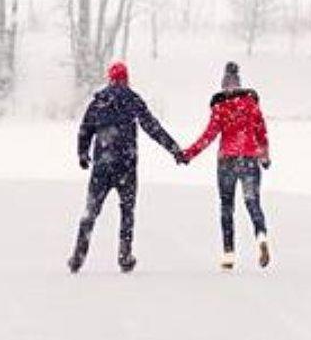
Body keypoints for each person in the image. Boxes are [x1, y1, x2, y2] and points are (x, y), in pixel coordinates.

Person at [70, 60, 185, 273]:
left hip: (102, 167)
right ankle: (124, 256)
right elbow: (153, 128)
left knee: (91, 211)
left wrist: (83, 154)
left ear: (110, 79)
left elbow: (85, 130)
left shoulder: (99, 101)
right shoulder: (133, 100)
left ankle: (78, 256)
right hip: (126, 166)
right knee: (127, 212)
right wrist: (174, 149)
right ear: (126, 79)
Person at [184, 61, 272, 270]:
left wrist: (188, 154)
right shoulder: (250, 105)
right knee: (252, 202)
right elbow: (261, 132)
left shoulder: (220, 107)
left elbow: (208, 136)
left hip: (227, 161)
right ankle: (261, 237)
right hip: (249, 159)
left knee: (227, 207)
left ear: (223, 86)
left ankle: (228, 254)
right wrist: (264, 156)